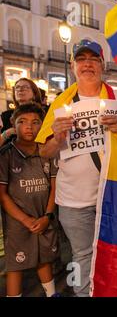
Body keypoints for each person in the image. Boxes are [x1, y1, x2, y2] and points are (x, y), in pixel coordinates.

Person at [36, 39, 117, 297]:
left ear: (102, 65)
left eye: (93, 59)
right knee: (82, 255)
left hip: (115, 196)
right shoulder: (60, 104)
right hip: (74, 201)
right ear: (73, 66)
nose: (87, 64)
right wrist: (57, 137)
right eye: (81, 59)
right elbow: (43, 153)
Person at [0, 104, 58, 297]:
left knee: (44, 258)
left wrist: (47, 216)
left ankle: (51, 293)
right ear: (13, 124)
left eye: (35, 122)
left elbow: (54, 188)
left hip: (44, 218)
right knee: (15, 265)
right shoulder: (6, 154)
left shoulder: (47, 153)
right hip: (17, 224)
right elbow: (2, 194)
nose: (29, 127)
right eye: (22, 122)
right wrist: (25, 220)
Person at [1, 78, 43, 146]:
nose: (20, 90)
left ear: (34, 94)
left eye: (25, 87)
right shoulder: (6, 115)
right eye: (17, 87)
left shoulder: (42, 113)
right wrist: (7, 133)